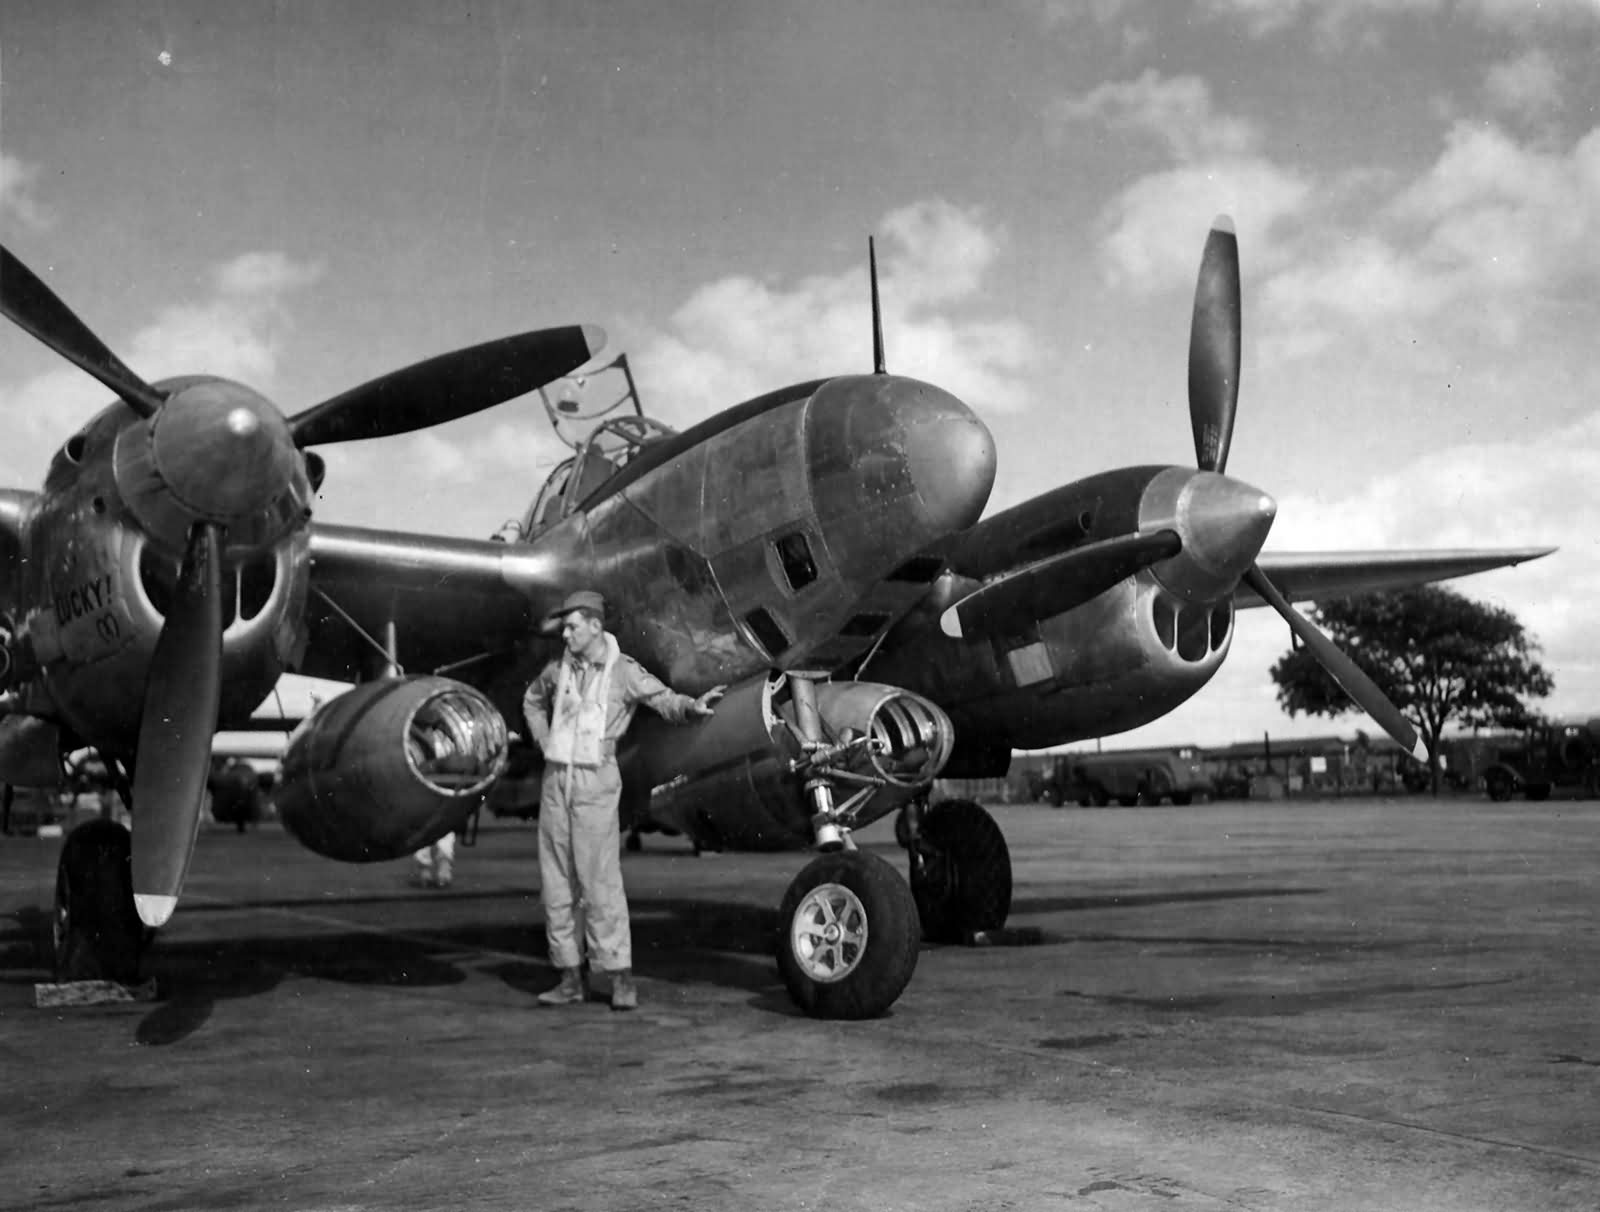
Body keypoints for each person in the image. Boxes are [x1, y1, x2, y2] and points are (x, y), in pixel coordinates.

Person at [523, 589, 723, 1011]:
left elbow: (661, 698)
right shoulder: (557, 671)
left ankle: (620, 979)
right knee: (557, 883)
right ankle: (570, 978)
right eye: (565, 629)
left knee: (601, 884)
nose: (566, 635)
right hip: (557, 781)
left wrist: (691, 707)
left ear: (596, 626)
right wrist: (543, 740)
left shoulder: (623, 672)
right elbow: (532, 701)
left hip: (597, 781)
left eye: (573, 627)